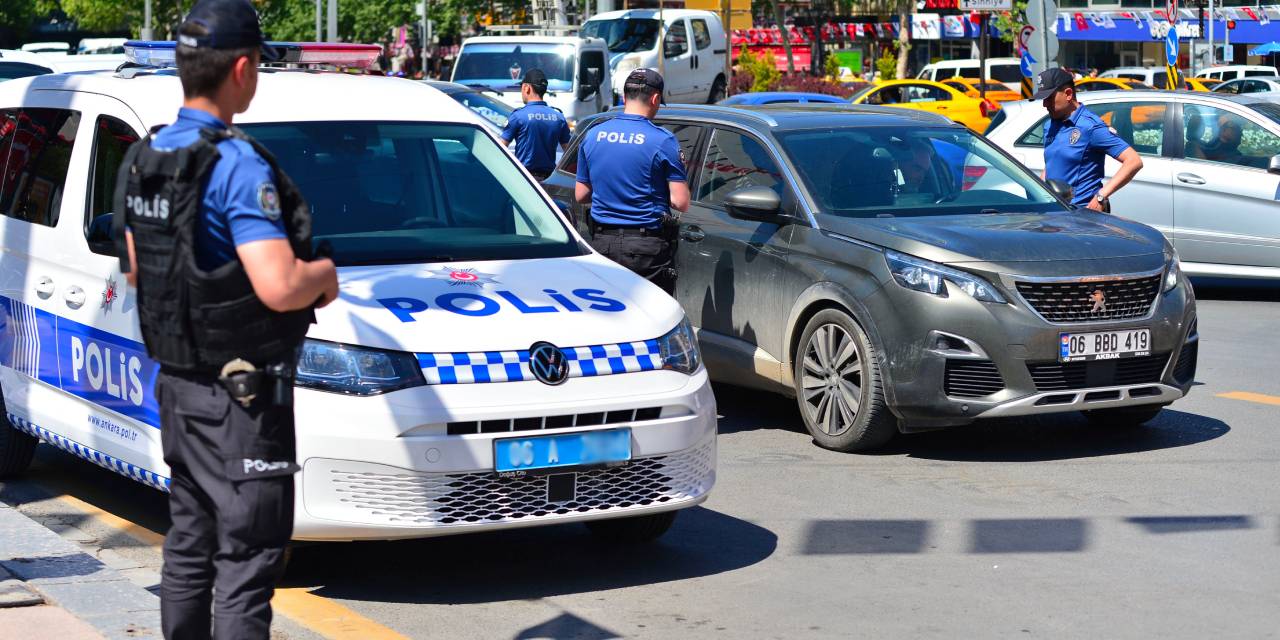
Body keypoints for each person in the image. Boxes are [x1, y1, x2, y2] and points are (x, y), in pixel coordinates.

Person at [113, 1, 339, 638]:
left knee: (189, 545)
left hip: (178, 388)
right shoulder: (235, 164)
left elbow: (139, 272)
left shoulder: (144, 157)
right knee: (247, 559)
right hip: (241, 400)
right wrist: (324, 276)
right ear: (242, 68)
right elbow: (279, 284)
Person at [574, 69, 689, 294]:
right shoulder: (663, 140)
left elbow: (581, 195)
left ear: (624, 97)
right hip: (646, 250)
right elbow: (681, 202)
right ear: (655, 98)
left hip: (601, 244)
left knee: (607, 314)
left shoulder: (594, 134)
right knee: (651, 317)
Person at [1032, 67, 1143, 212]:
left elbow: (1134, 161)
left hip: (1081, 217)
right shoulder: (1050, 125)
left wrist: (1101, 196)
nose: (1044, 104)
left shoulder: (1090, 127)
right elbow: (1052, 163)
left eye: (1049, 98)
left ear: (1068, 94)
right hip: (1054, 214)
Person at [501, 69, 570, 180]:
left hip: (524, 179)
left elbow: (501, 147)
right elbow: (569, 152)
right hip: (549, 180)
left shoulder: (518, 116)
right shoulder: (559, 117)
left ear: (526, 88)